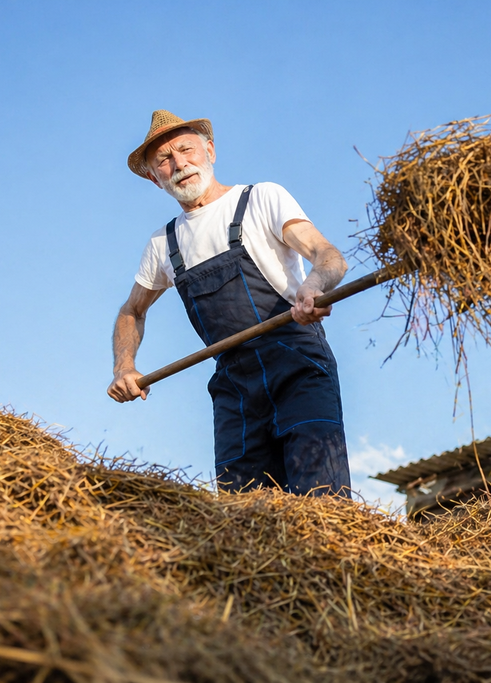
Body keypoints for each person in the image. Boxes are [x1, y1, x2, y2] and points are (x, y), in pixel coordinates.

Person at [107, 110, 351, 496]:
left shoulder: (261, 199)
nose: (179, 164)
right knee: (242, 518)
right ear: (155, 178)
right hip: (235, 392)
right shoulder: (163, 244)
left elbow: (327, 255)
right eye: (164, 160)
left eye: (186, 150)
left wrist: (314, 285)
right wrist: (124, 366)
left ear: (210, 151)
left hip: (298, 368)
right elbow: (131, 311)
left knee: (322, 500)